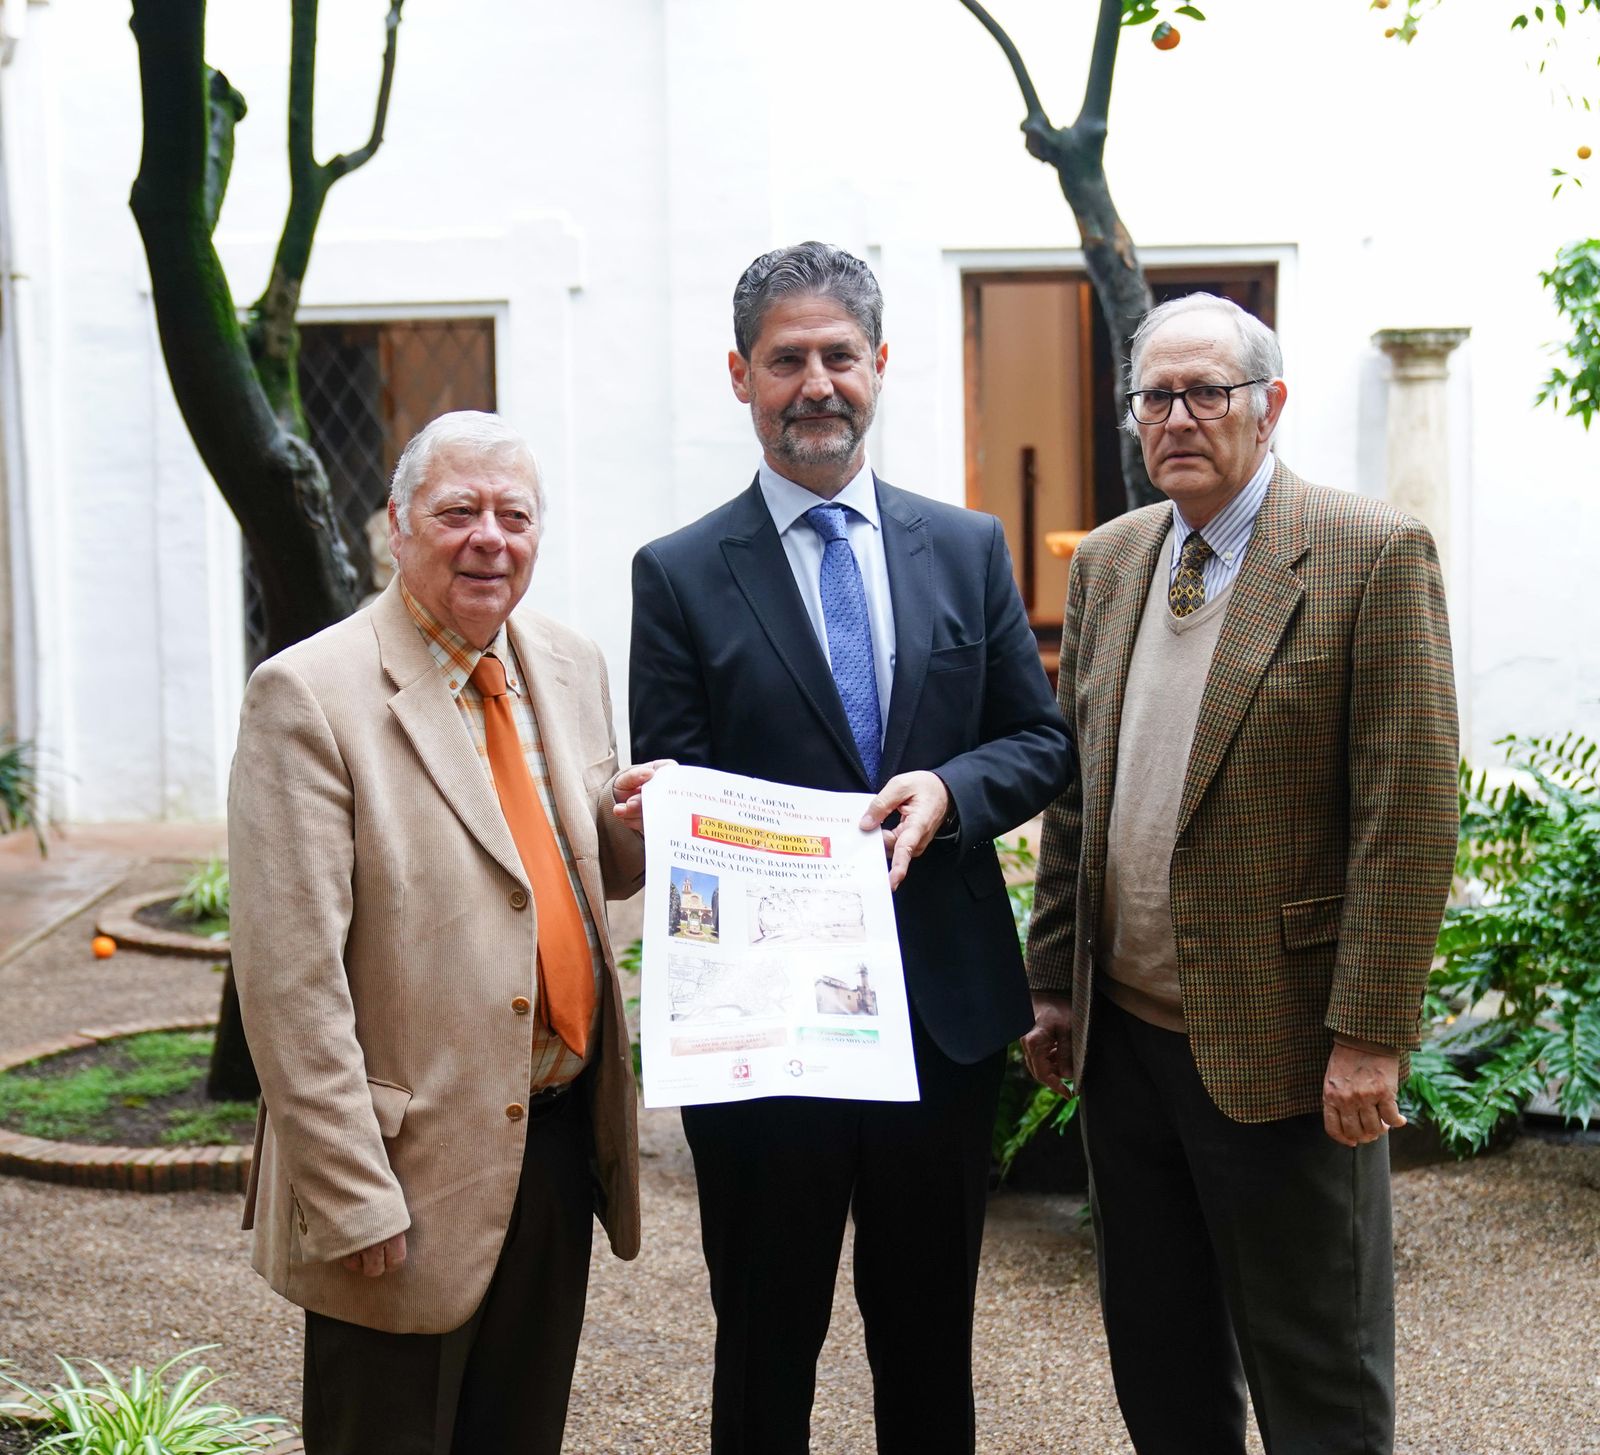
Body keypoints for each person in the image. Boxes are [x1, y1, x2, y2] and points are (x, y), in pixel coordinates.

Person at [629, 241, 1073, 1454]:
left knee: (927, 1338)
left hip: (938, 1014)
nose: (814, 382)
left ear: (880, 365)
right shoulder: (675, 574)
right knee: (765, 1340)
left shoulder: (967, 546)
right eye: (786, 360)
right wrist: (662, 805)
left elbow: (1039, 745)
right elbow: (670, 768)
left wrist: (947, 788)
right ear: (740, 376)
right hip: (767, 1032)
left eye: (838, 355)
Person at [1024, 294, 1459, 1455]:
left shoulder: (1370, 553)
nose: (1174, 417)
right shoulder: (1114, 559)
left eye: (1203, 392)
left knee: (1318, 1376)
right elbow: (1080, 791)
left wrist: (1369, 1034)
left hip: (1283, 1044)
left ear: (1268, 405)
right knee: (1160, 1367)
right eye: (1152, 396)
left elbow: (1406, 816)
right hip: (1128, 1050)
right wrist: (1056, 981)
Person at [230, 411, 667, 1455]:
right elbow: (290, 984)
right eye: (457, 511)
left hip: (557, 1147)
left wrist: (629, 826)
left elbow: (583, 873)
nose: (490, 538)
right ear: (396, 524)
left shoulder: (566, 661)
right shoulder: (308, 695)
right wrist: (349, 1194)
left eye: (514, 516)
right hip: (405, 1174)